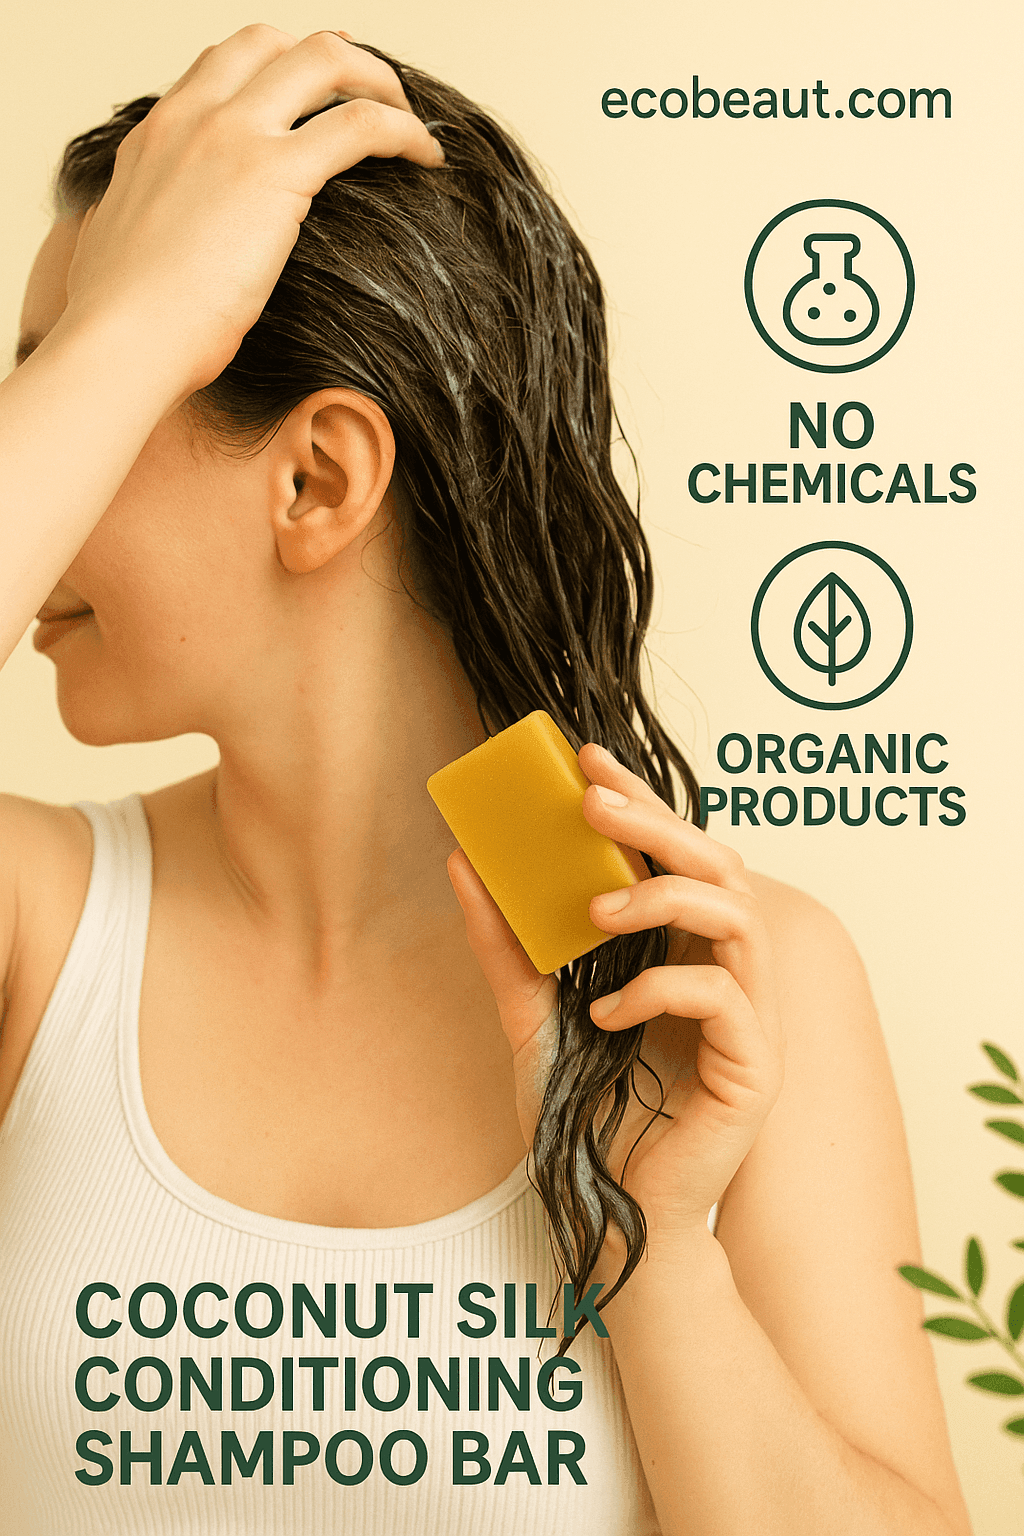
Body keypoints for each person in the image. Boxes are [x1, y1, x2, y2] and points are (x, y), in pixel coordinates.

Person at [0, 25, 971, 1536]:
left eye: (66, 383)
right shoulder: (38, 934)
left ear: (316, 477)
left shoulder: (713, 983)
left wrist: (653, 1243)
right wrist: (141, 326)